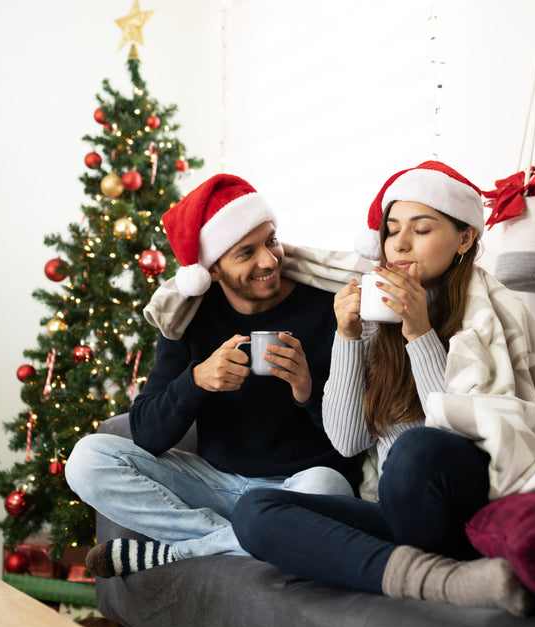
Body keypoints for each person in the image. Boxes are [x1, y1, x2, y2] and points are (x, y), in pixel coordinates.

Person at [232, 161, 535, 616]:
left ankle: (407, 566)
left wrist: (419, 332)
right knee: (255, 511)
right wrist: (346, 336)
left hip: (465, 502)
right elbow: (346, 441)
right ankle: (444, 580)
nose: (400, 243)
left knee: (415, 449)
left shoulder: (489, 316)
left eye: (420, 229)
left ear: (464, 238)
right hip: (394, 512)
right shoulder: (376, 318)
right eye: (392, 231)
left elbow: (463, 433)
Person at [66, 173, 362, 579]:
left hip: (296, 487)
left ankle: (179, 552)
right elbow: (147, 435)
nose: (269, 260)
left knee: (330, 488)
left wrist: (306, 390)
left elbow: (354, 441)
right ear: (214, 270)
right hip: (215, 484)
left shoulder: (327, 307)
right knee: (87, 459)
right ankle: (243, 540)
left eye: (271, 240)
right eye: (246, 253)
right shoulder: (189, 318)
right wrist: (196, 381)